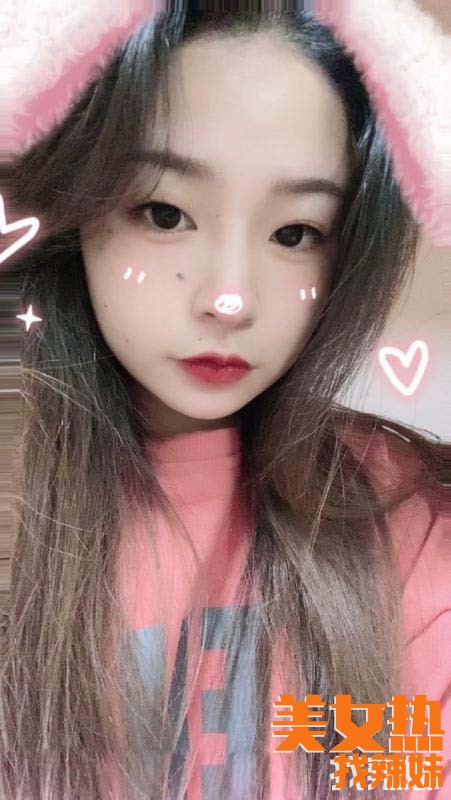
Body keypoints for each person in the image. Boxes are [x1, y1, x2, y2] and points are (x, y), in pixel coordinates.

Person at [1, 4, 449, 799]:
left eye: (295, 232)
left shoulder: (407, 521)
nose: (230, 299)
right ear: (77, 206)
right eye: (165, 213)